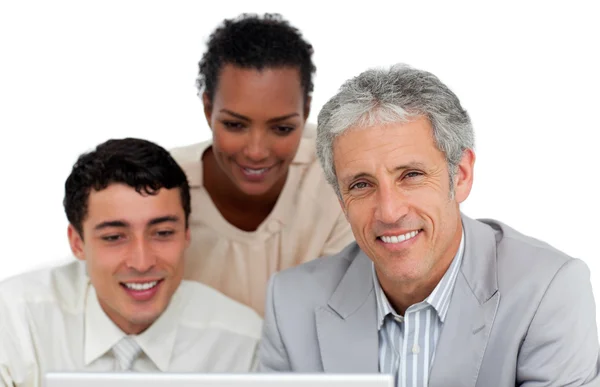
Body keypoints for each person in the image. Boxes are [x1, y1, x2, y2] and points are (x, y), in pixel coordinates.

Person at [258, 64, 600, 386]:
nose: (389, 212)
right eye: (361, 184)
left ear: (461, 175)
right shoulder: (291, 303)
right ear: (341, 200)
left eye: (411, 175)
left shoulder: (548, 291)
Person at [0, 138, 262, 387]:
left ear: (186, 234)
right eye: (114, 237)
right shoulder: (15, 322)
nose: (142, 262)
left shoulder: (243, 344)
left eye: (163, 233)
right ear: (77, 243)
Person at [170, 13, 353, 316]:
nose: (256, 152)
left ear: (306, 110)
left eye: (282, 128)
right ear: (207, 109)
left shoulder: (339, 172)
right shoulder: (161, 189)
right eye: (234, 125)